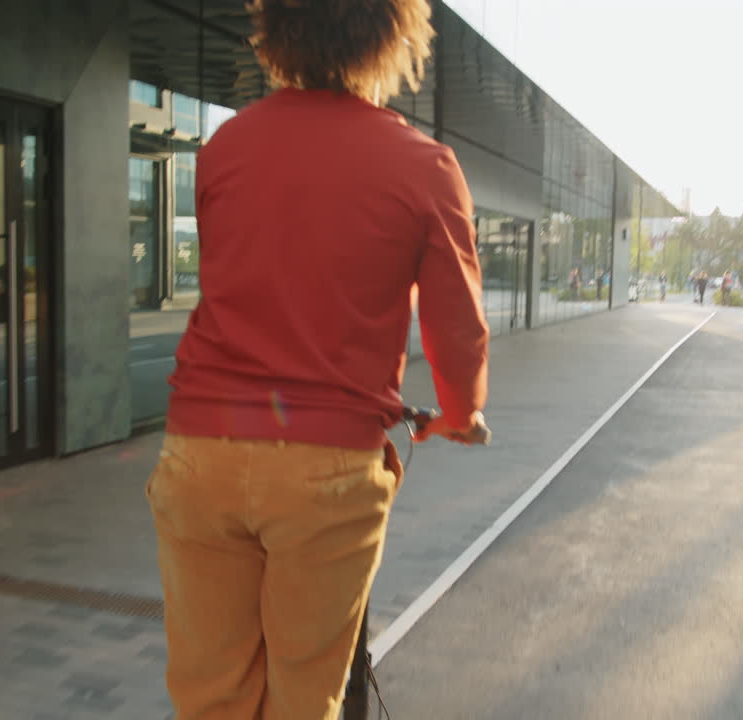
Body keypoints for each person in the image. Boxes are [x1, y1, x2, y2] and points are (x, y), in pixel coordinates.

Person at [146, 2, 491, 717]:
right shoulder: (426, 166)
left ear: (277, 33)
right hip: (325, 464)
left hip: (199, 449)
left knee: (210, 695)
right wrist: (460, 414)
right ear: (393, 38)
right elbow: (457, 327)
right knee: (305, 697)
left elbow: (239, 283)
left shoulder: (226, 147)